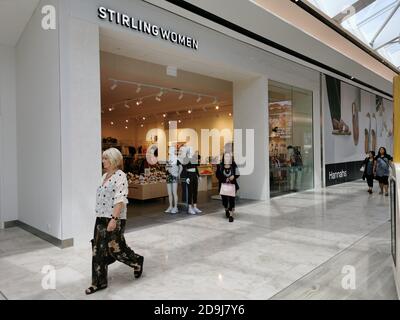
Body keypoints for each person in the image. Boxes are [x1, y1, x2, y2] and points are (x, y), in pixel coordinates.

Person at [85, 148, 144, 295]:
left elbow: (120, 199)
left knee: (116, 249)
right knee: (97, 249)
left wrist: (114, 219)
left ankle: (137, 261)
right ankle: (98, 282)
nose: (103, 161)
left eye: (106, 158)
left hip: (114, 218)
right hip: (100, 218)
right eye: (103, 158)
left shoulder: (120, 176)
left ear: (114, 160)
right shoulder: (104, 176)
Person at [216, 152, 240, 223]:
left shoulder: (233, 164)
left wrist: (234, 176)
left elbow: (238, 173)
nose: (227, 158)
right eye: (226, 156)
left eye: (228, 157)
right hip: (223, 186)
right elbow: (217, 175)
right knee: (225, 201)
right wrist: (224, 179)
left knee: (232, 200)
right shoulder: (220, 165)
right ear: (224, 157)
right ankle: (226, 209)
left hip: (232, 185)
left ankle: (231, 215)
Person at [181, 148, 202, 215]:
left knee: (195, 191)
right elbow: (184, 169)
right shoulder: (185, 159)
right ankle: (190, 208)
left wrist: (198, 176)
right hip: (189, 175)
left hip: (194, 175)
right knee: (190, 192)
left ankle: (195, 206)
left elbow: (196, 168)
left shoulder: (194, 159)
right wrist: (186, 177)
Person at [165, 146, 182, 214]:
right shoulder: (169, 159)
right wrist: (167, 167)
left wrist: (178, 174)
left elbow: (181, 167)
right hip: (169, 176)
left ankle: (175, 207)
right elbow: (167, 168)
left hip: (174, 176)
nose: (169, 151)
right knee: (169, 193)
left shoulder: (177, 159)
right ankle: (170, 206)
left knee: (174, 192)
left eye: (170, 149)